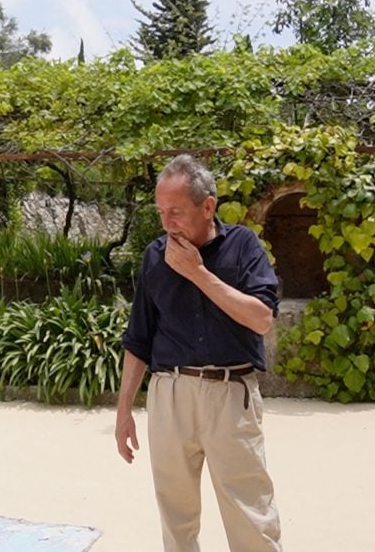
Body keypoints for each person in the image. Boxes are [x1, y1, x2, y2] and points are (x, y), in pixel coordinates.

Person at [114, 154, 283, 552]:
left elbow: (261, 319)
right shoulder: (154, 256)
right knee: (175, 514)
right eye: (160, 211)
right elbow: (138, 337)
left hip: (230, 394)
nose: (166, 222)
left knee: (250, 515)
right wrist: (123, 410)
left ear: (208, 206)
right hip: (170, 395)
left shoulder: (243, 245)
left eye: (175, 211)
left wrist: (197, 273)